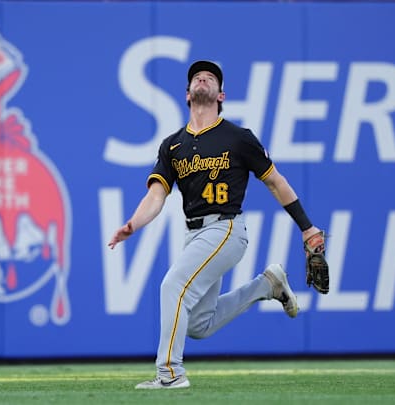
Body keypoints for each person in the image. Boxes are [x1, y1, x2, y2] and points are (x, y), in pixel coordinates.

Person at [108, 60, 323, 389]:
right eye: (197, 76)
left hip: (225, 228)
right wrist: (132, 225)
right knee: (198, 324)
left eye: (210, 77)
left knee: (173, 287)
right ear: (187, 95)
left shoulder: (238, 138)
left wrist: (306, 227)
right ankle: (267, 285)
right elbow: (156, 195)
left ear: (221, 94)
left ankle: (170, 373)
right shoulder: (173, 145)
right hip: (194, 234)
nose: (202, 77)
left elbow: (276, 182)